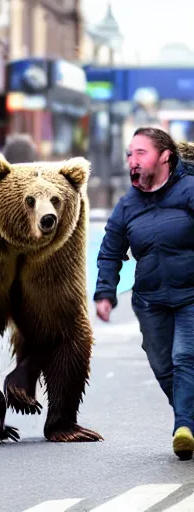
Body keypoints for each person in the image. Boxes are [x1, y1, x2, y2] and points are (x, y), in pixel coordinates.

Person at [94, 126, 194, 461]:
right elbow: (110, 252)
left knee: (184, 359)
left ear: (165, 157)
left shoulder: (189, 190)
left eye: (141, 153)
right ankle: (190, 417)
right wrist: (105, 293)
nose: (132, 161)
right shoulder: (127, 206)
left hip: (191, 295)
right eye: (129, 154)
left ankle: (183, 427)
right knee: (163, 366)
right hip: (151, 301)